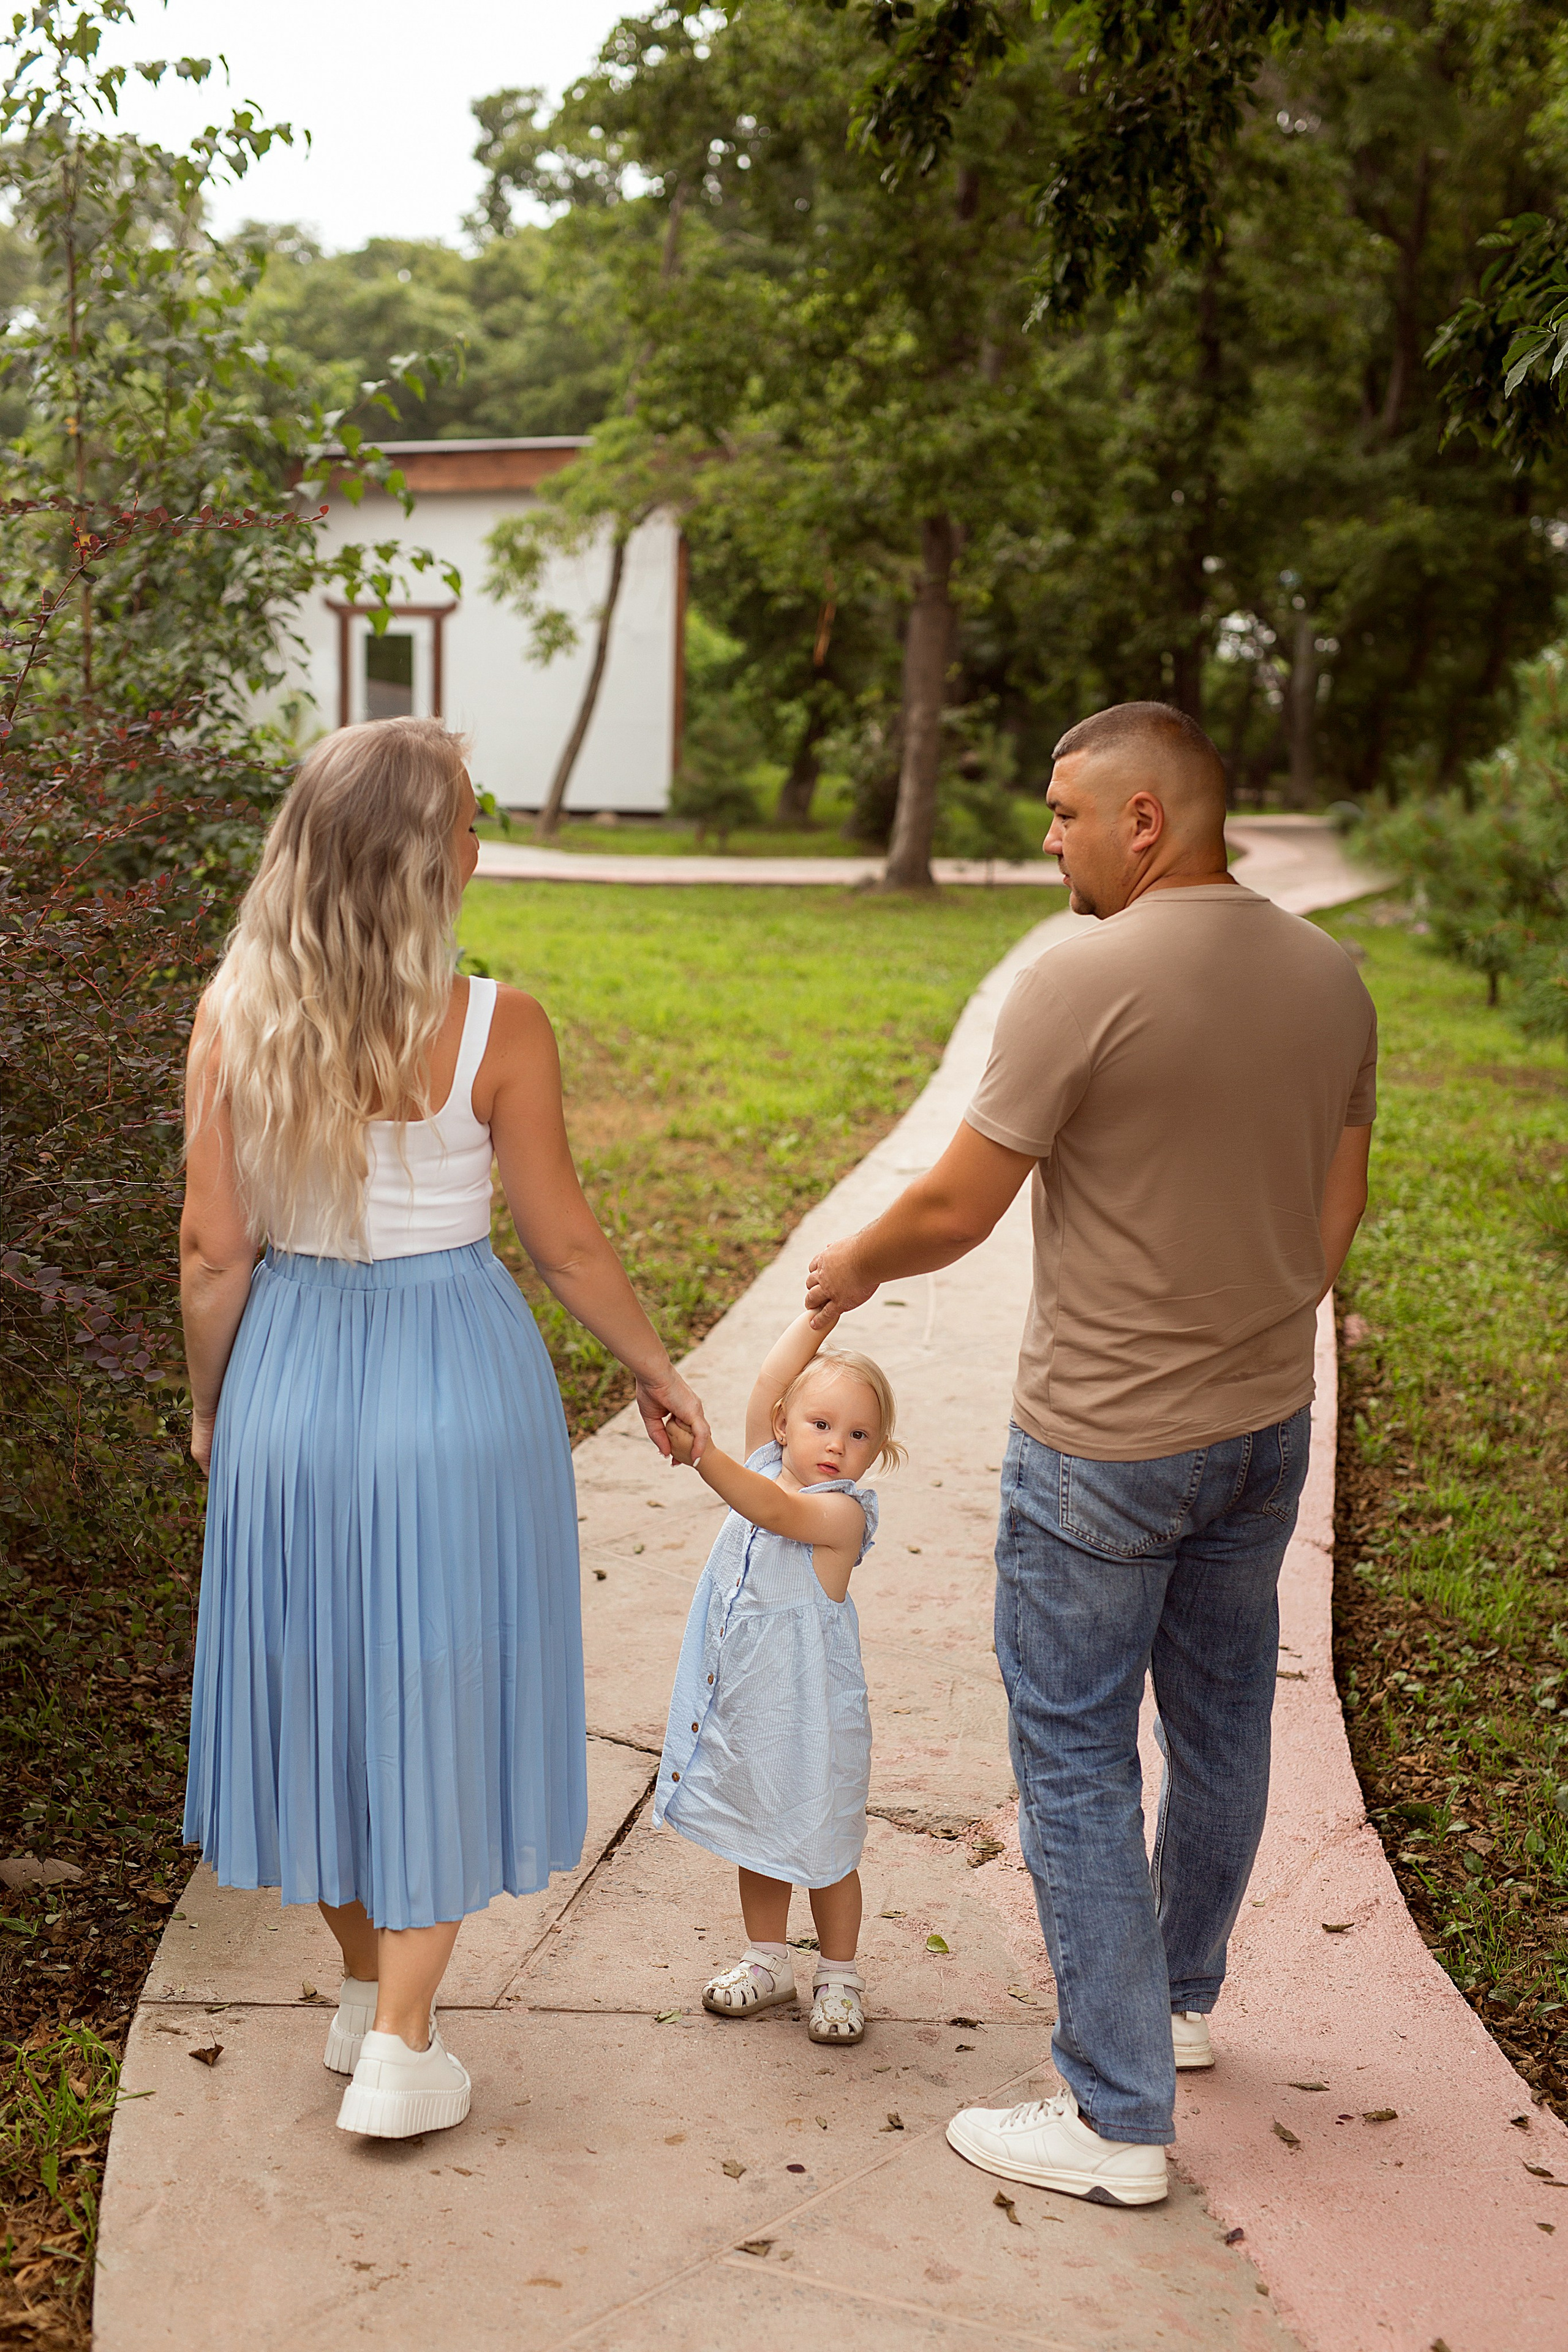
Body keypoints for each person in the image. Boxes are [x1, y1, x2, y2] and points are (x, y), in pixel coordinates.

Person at [805, 701, 1376, 2207]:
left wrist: (850, 1262)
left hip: (1102, 1443)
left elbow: (954, 1208)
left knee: (1068, 1755)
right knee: (1218, 1721)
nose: (1043, 836)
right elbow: (1329, 1231)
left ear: (1143, 820)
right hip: (1259, 1428)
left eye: (1064, 813)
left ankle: (1113, 2113)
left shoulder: (1083, 976)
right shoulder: (1330, 978)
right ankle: (1175, 2003)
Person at [179, 717, 707, 2141]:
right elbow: (567, 1242)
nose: (481, 836)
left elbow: (211, 1248)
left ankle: (366, 1995)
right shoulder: (496, 1022)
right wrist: (653, 1366)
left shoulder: (234, 1008)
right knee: (441, 1687)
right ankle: (406, 2040)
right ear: (425, 857)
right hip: (454, 1383)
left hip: (290, 1367)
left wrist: (211, 1400)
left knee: (326, 1690)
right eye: (468, 815)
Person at [652, 1310, 902, 2046]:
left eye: (859, 1435)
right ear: (782, 1425)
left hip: (814, 1721)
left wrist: (700, 1454)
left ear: (877, 1452)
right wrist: (819, 1315)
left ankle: (837, 1973)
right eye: (821, 1423)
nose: (837, 1444)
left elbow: (766, 1508)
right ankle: (767, 1961)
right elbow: (770, 1378)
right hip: (752, 1713)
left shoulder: (837, 1515)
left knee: (824, 1848)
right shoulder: (767, 1462)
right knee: (757, 1837)